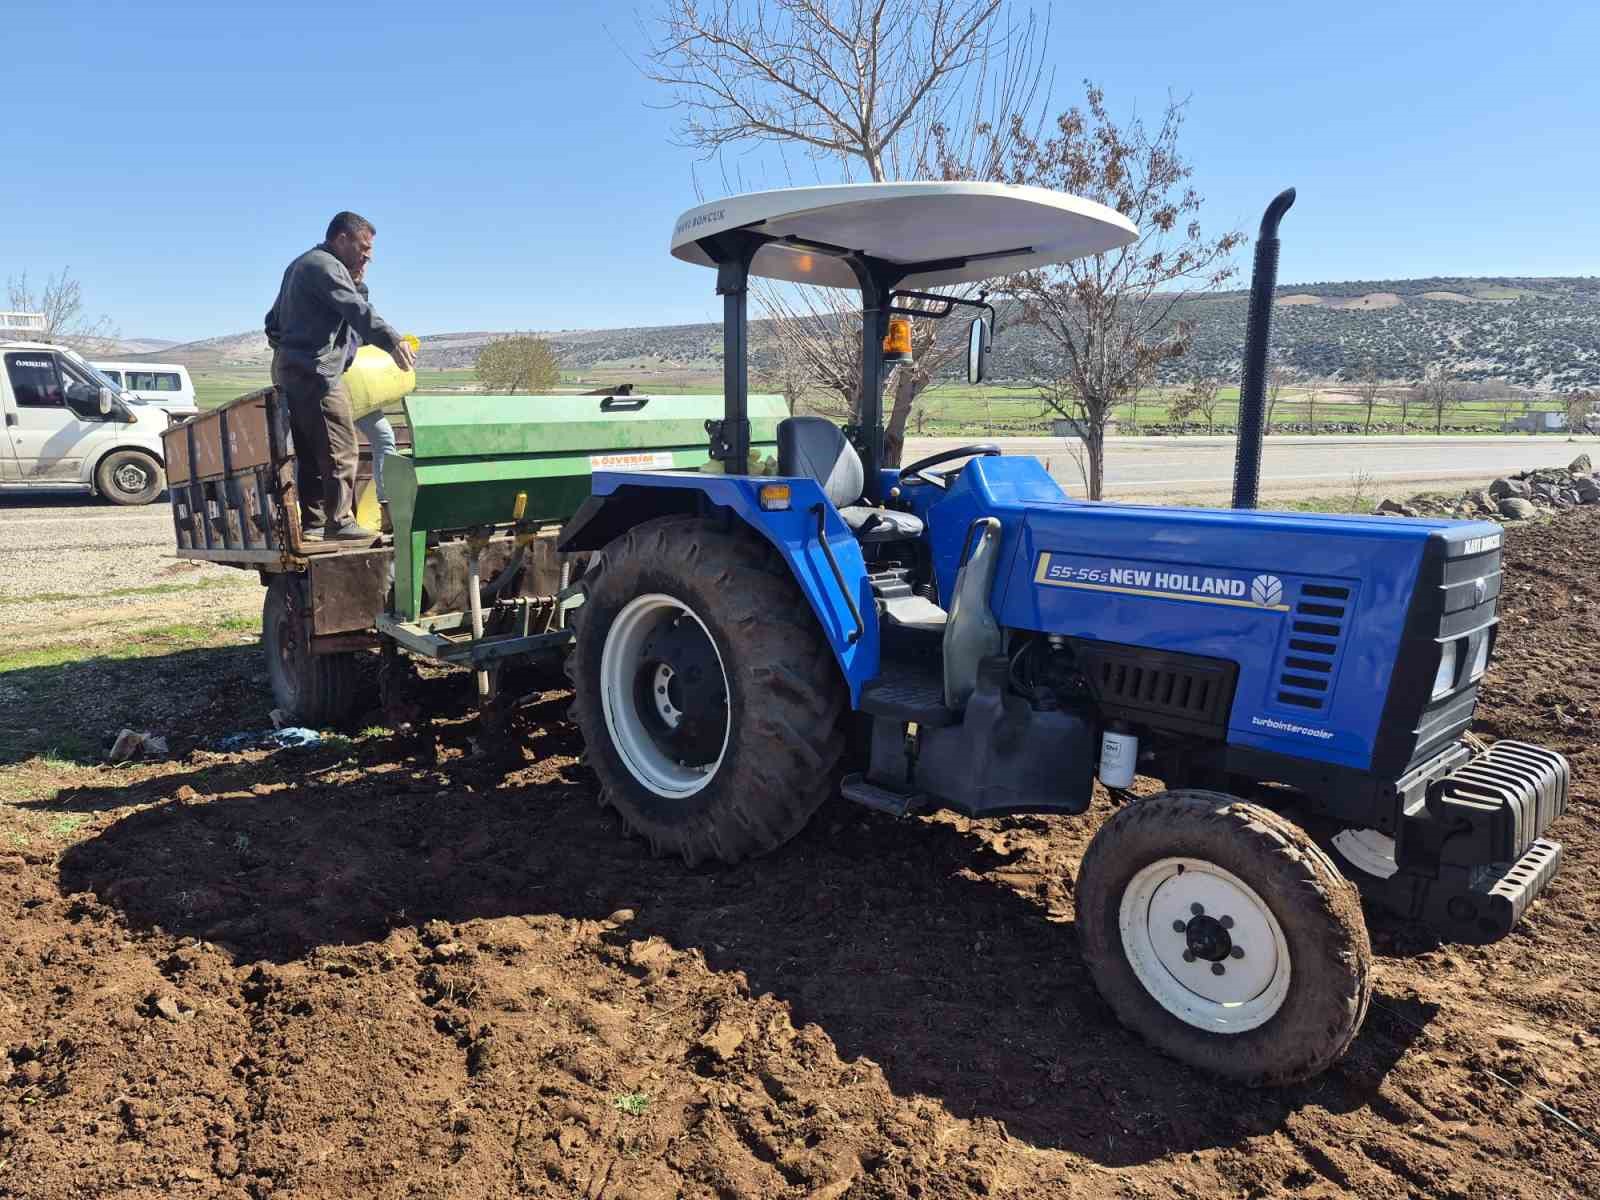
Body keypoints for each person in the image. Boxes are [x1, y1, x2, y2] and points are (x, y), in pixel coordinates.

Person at [265, 211, 415, 541]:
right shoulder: (324, 265)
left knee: (310, 451)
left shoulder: (301, 265)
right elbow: (356, 311)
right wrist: (392, 341)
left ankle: (316, 523)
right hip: (317, 374)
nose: (368, 256)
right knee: (340, 447)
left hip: (295, 371)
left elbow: (272, 321)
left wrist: (291, 353)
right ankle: (340, 522)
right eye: (363, 247)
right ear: (341, 238)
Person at [345, 262, 398, 531]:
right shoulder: (326, 308)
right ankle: (326, 517)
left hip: (357, 394)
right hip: (327, 390)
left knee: (385, 437)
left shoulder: (363, 310)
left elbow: (372, 339)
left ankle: (386, 507)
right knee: (330, 451)